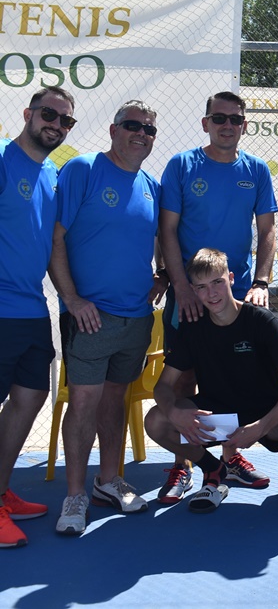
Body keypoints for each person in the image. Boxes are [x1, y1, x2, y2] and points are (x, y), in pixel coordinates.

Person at [49, 101, 165, 535]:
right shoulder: (83, 169)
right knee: (83, 402)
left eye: (149, 130)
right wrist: (72, 298)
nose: (141, 134)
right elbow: (55, 239)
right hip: (89, 318)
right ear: (114, 130)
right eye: (133, 126)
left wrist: (163, 276)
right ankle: (75, 495)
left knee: (115, 400)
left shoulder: (151, 185)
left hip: (135, 319)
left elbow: (159, 240)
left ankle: (108, 481)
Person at [157, 91, 278, 501]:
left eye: (235, 119)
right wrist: (181, 287)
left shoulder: (257, 170)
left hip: (237, 294)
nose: (228, 125)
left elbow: (266, 231)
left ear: (244, 125)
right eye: (220, 118)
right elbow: (168, 231)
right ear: (206, 122)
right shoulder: (182, 165)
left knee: (235, 375)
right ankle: (185, 464)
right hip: (189, 294)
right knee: (184, 379)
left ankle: (230, 459)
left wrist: (259, 283)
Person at [144, 249, 278, 513]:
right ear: (193, 290)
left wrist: (260, 427)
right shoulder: (193, 327)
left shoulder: (260, 321)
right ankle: (213, 469)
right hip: (218, 418)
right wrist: (172, 411)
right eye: (202, 287)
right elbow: (163, 386)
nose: (211, 293)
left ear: (231, 278)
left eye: (217, 282)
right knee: (156, 420)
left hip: (265, 415)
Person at [0, 87, 75, 548]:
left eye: (66, 121)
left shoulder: (51, 173)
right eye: (49, 114)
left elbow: (52, 247)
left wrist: (71, 297)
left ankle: (3, 491)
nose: (57, 124)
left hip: (31, 310)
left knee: (28, 401)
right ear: (28, 114)